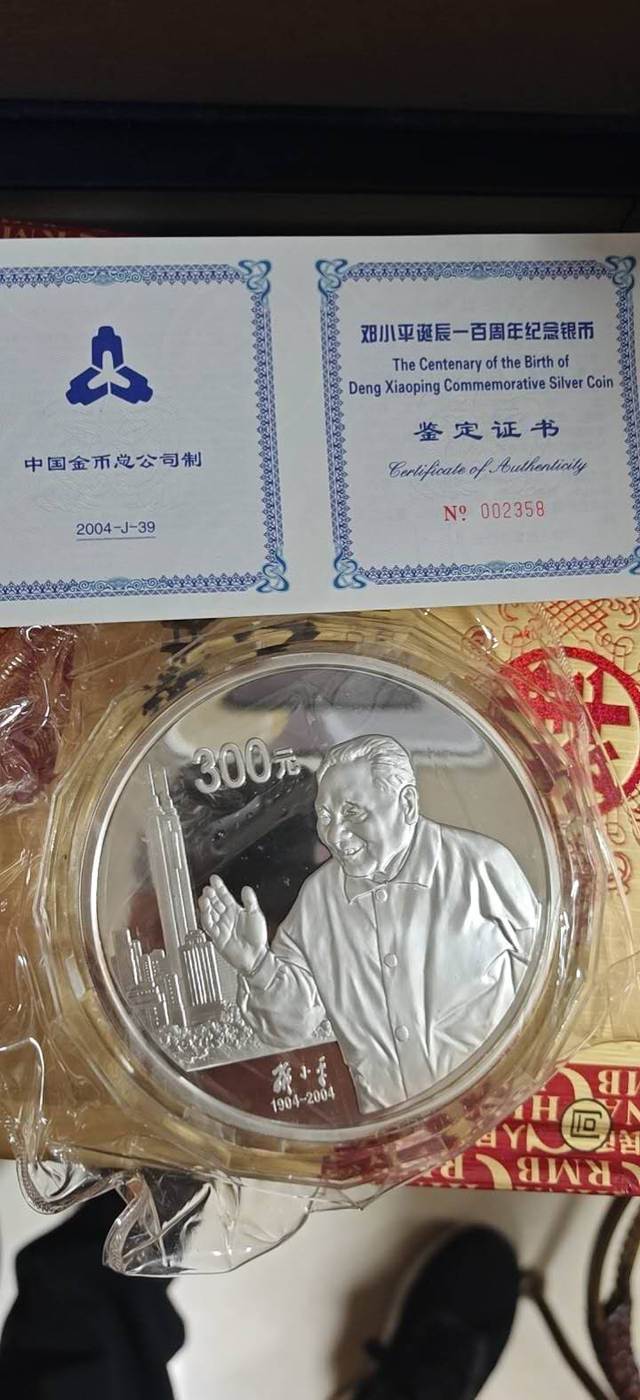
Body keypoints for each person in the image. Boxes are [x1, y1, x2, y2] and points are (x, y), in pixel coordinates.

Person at [199, 734, 540, 1113]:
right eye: (325, 817)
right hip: (383, 1131)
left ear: (406, 804)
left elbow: (550, 982)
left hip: (502, 1110)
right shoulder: (318, 899)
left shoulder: (483, 867)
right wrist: (257, 965)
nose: (334, 835)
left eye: (353, 813)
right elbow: (293, 1026)